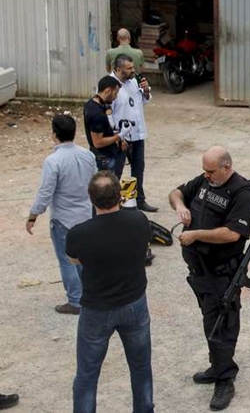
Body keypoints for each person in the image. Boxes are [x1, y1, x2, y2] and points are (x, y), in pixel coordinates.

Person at [169, 146, 250, 411]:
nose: (205, 175)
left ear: (226, 168)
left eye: (211, 171)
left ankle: (225, 378)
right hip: (200, 271)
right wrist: (181, 206)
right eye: (204, 170)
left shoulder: (243, 192)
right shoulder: (205, 180)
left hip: (222, 273)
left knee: (222, 323)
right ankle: (217, 366)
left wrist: (195, 234)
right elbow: (175, 192)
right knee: (209, 319)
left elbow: (233, 234)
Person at [66, 171, 154, 413]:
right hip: (134, 304)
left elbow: (74, 260)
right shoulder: (139, 220)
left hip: (97, 308)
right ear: (120, 196)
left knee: (87, 374)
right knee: (141, 367)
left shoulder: (79, 233)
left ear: (91, 198)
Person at [26, 115, 96, 315]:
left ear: (54, 134)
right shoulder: (87, 155)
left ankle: (75, 300)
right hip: (85, 215)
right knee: (83, 258)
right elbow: (96, 181)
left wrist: (33, 215)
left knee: (67, 261)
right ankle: (87, 295)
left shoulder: (53, 161)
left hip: (63, 219)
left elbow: (45, 192)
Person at [110, 54, 157, 212]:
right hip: (121, 136)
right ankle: (114, 203)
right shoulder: (109, 85)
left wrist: (145, 90)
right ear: (118, 69)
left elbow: (144, 100)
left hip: (137, 133)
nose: (133, 70)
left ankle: (138, 200)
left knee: (138, 168)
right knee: (117, 170)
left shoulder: (133, 81)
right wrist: (117, 135)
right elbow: (108, 113)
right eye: (129, 68)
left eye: (132, 67)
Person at [83, 76, 126, 174]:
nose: (116, 97)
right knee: (108, 187)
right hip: (105, 159)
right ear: (108, 90)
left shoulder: (91, 104)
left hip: (100, 156)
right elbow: (98, 142)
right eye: (115, 93)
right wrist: (119, 136)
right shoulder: (97, 114)